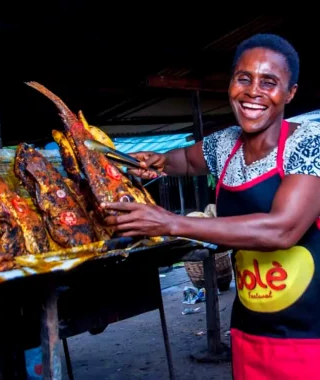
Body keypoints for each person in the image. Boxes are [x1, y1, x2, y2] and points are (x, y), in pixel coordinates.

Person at [101, 33, 320, 379]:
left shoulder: (309, 144)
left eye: (269, 82)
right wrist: (157, 161)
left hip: (311, 337)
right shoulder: (224, 144)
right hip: (250, 328)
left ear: (290, 93)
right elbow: (185, 161)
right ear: (231, 81)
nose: (253, 92)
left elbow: (283, 229)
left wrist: (171, 222)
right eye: (243, 78)